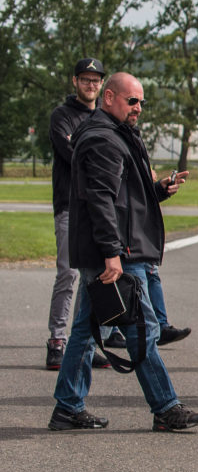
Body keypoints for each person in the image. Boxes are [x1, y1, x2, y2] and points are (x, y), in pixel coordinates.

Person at [49, 71, 198, 433]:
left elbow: (124, 196)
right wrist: (111, 253)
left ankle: (68, 407)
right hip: (118, 253)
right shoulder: (104, 138)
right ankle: (166, 408)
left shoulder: (117, 134)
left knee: (86, 331)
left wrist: (159, 189)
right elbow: (100, 201)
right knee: (142, 329)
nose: (138, 108)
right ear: (108, 98)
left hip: (118, 249)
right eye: (131, 100)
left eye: (141, 102)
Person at [46, 58, 110, 371]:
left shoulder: (104, 117)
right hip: (70, 206)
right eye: (85, 79)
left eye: (96, 80)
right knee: (68, 274)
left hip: (97, 208)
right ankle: (57, 340)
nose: (91, 85)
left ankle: (84, 343)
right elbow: (74, 157)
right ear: (75, 82)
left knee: (93, 278)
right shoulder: (63, 116)